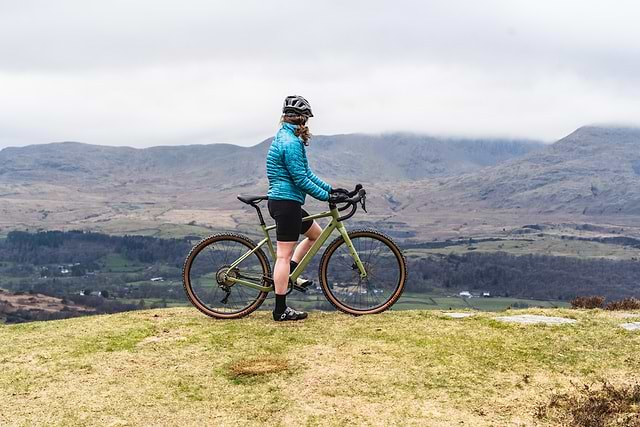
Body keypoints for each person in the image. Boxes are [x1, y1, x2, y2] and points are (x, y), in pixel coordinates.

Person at [266, 95, 347, 321]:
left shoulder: (288, 137)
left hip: (287, 202)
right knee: (283, 255)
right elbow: (301, 180)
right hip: (286, 203)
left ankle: (290, 275)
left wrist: (332, 190)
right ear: (300, 119)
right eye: (305, 120)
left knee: (315, 235)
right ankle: (280, 310)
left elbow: (307, 173)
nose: (306, 124)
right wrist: (326, 198)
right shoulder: (290, 143)